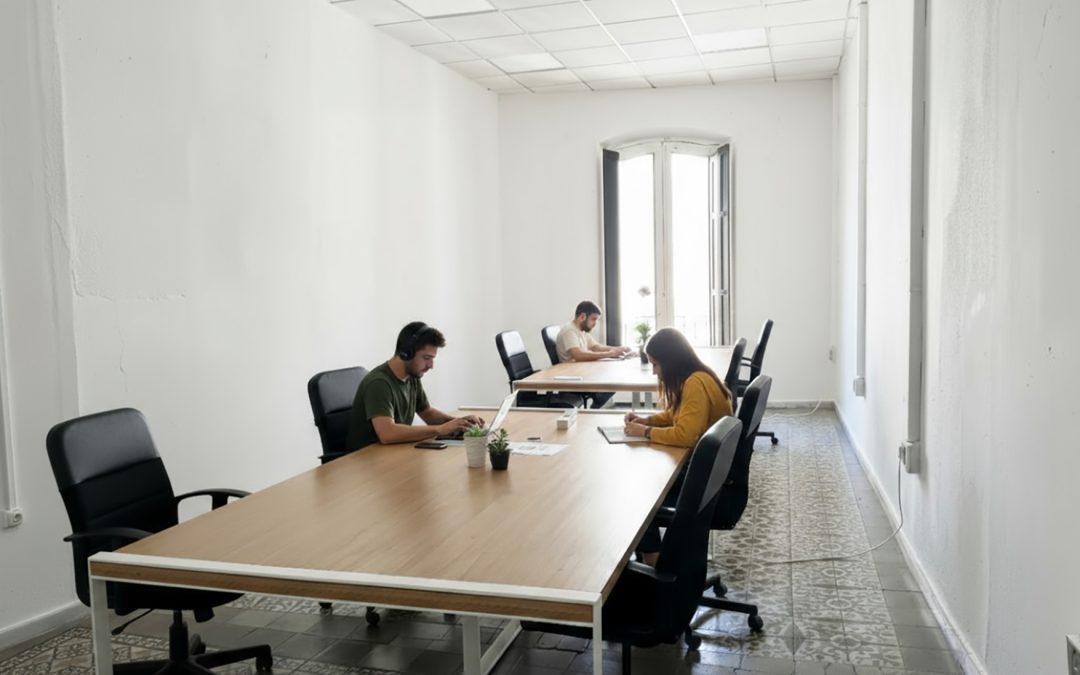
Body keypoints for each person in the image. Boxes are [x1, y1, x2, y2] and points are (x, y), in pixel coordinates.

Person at [624, 327, 733, 565]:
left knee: (639, 496)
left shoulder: (695, 383)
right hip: (713, 474)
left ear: (670, 361)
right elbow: (679, 415)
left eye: (656, 364)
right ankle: (648, 557)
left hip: (707, 484)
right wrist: (647, 420)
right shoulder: (698, 376)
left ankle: (652, 563)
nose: (654, 371)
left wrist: (645, 432)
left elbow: (685, 435)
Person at [345, 321, 483, 451]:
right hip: (366, 462)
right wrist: (440, 429)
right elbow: (387, 434)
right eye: (426, 358)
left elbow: (427, 413)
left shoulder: (412, 376)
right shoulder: (379, 383)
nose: (431, 366)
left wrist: (460, 423)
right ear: (406, 353)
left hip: (392, 454)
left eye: (432, 359)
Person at [555, 300, 631, 408]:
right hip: (573, 377)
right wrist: (609, 354)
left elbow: (596, 347)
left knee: (613, 379)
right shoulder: (569, 331)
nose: (595, 323)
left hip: (581, 372)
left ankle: (594, 409)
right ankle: (594, 410)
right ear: (582, 317)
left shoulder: (581, 330)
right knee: (611, 382)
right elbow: (578, 355)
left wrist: (618, 349)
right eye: (593, 319)